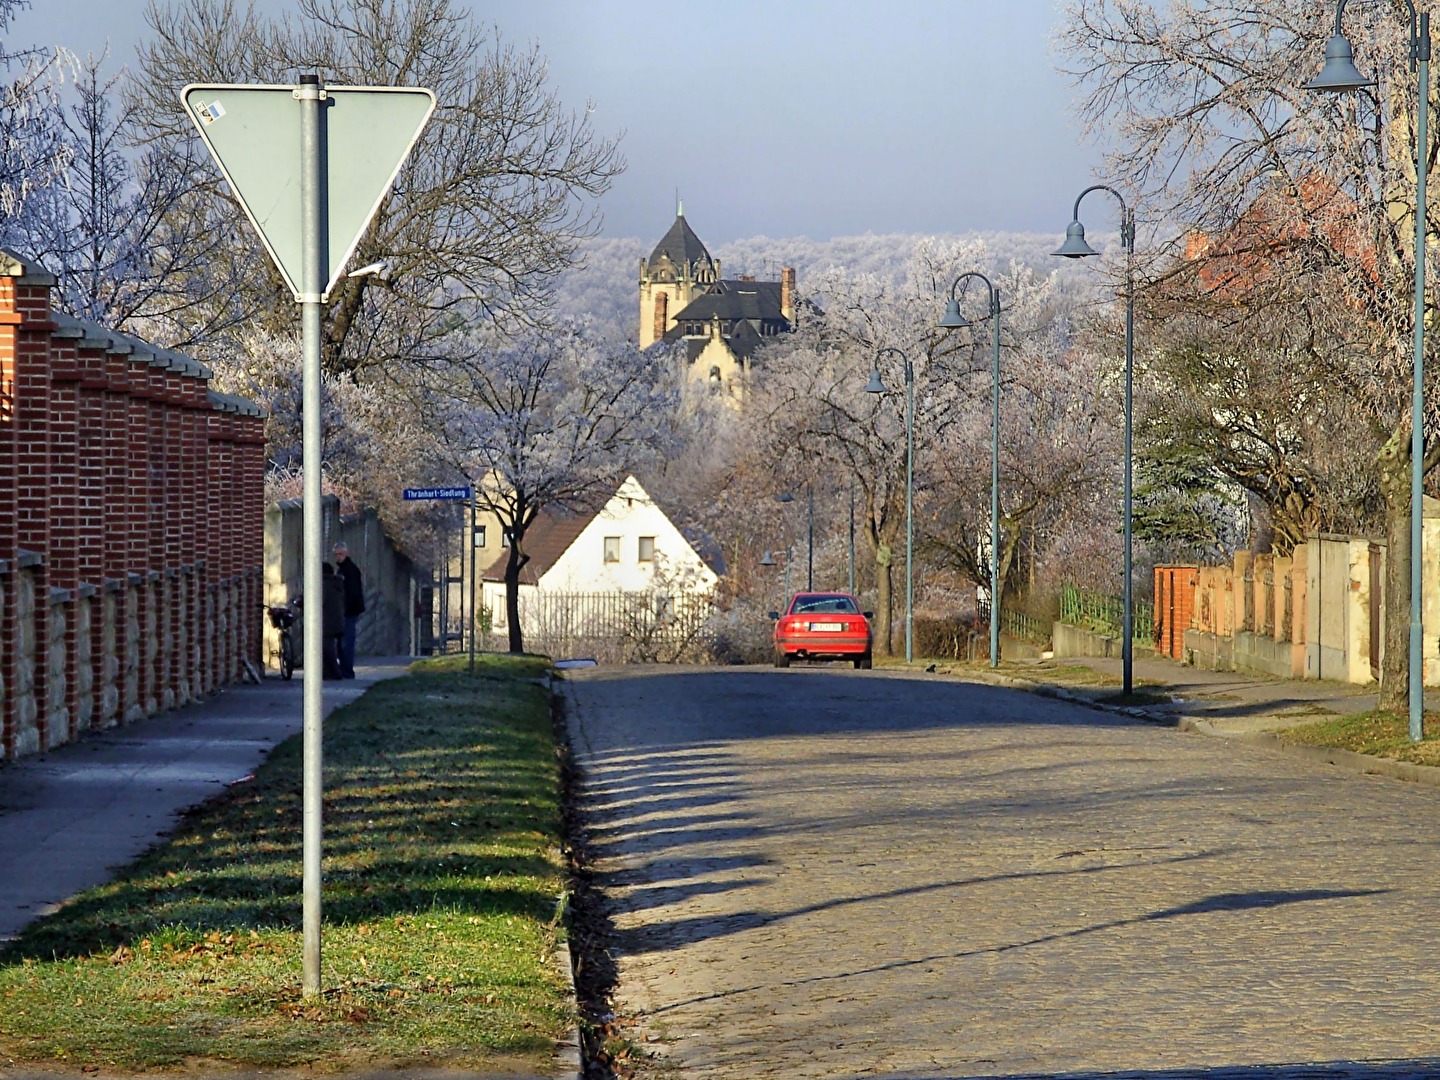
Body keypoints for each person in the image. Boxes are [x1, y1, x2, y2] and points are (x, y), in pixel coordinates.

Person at [333, 541, 365, 678]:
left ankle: (347, 670)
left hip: (349, 611)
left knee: (346, 642)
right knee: (342, 642)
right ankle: (344, 669)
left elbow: (351, 592)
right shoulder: (343, 569)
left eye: (341, 554)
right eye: (337, 554)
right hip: (346, 611)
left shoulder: (350, 570)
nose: (338, 557)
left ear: (346, 553)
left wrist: (345, 608)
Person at [321, 561, 346, 680]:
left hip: (326, 621)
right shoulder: (336, 583)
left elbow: (320, 600)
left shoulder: (325, 585)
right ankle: (330, 672)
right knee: (329, 647)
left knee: (327, 648)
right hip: (335, 620)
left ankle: (334, 672)